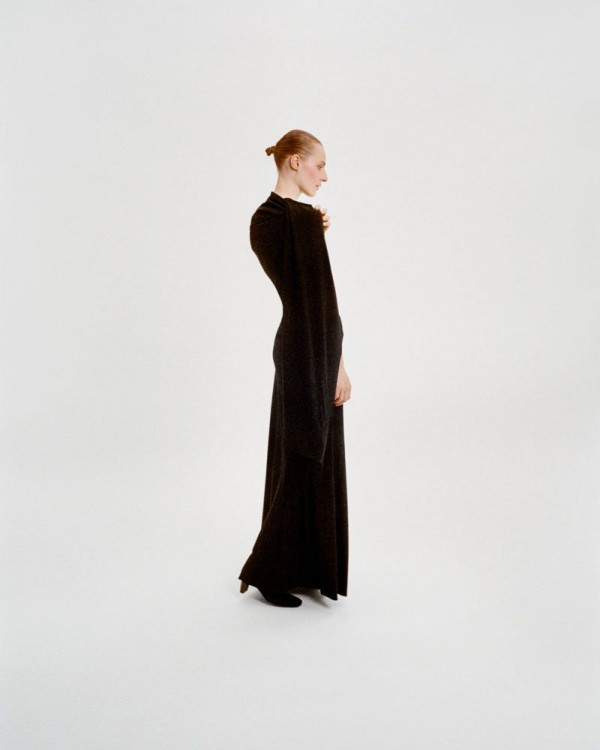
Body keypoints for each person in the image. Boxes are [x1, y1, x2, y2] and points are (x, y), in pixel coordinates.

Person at [238, 129, 351, 608]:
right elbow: (321, 301)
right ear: (294, 161)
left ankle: (299, 565)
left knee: (303, 453)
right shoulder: (294, 219)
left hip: (303, 348)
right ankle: (266, 570)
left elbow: (314, 298)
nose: (325, 176)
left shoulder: (267, 218)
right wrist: (338, 365)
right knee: (305, 454)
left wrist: (336, 364)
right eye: (319, 165)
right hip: (309, 349)